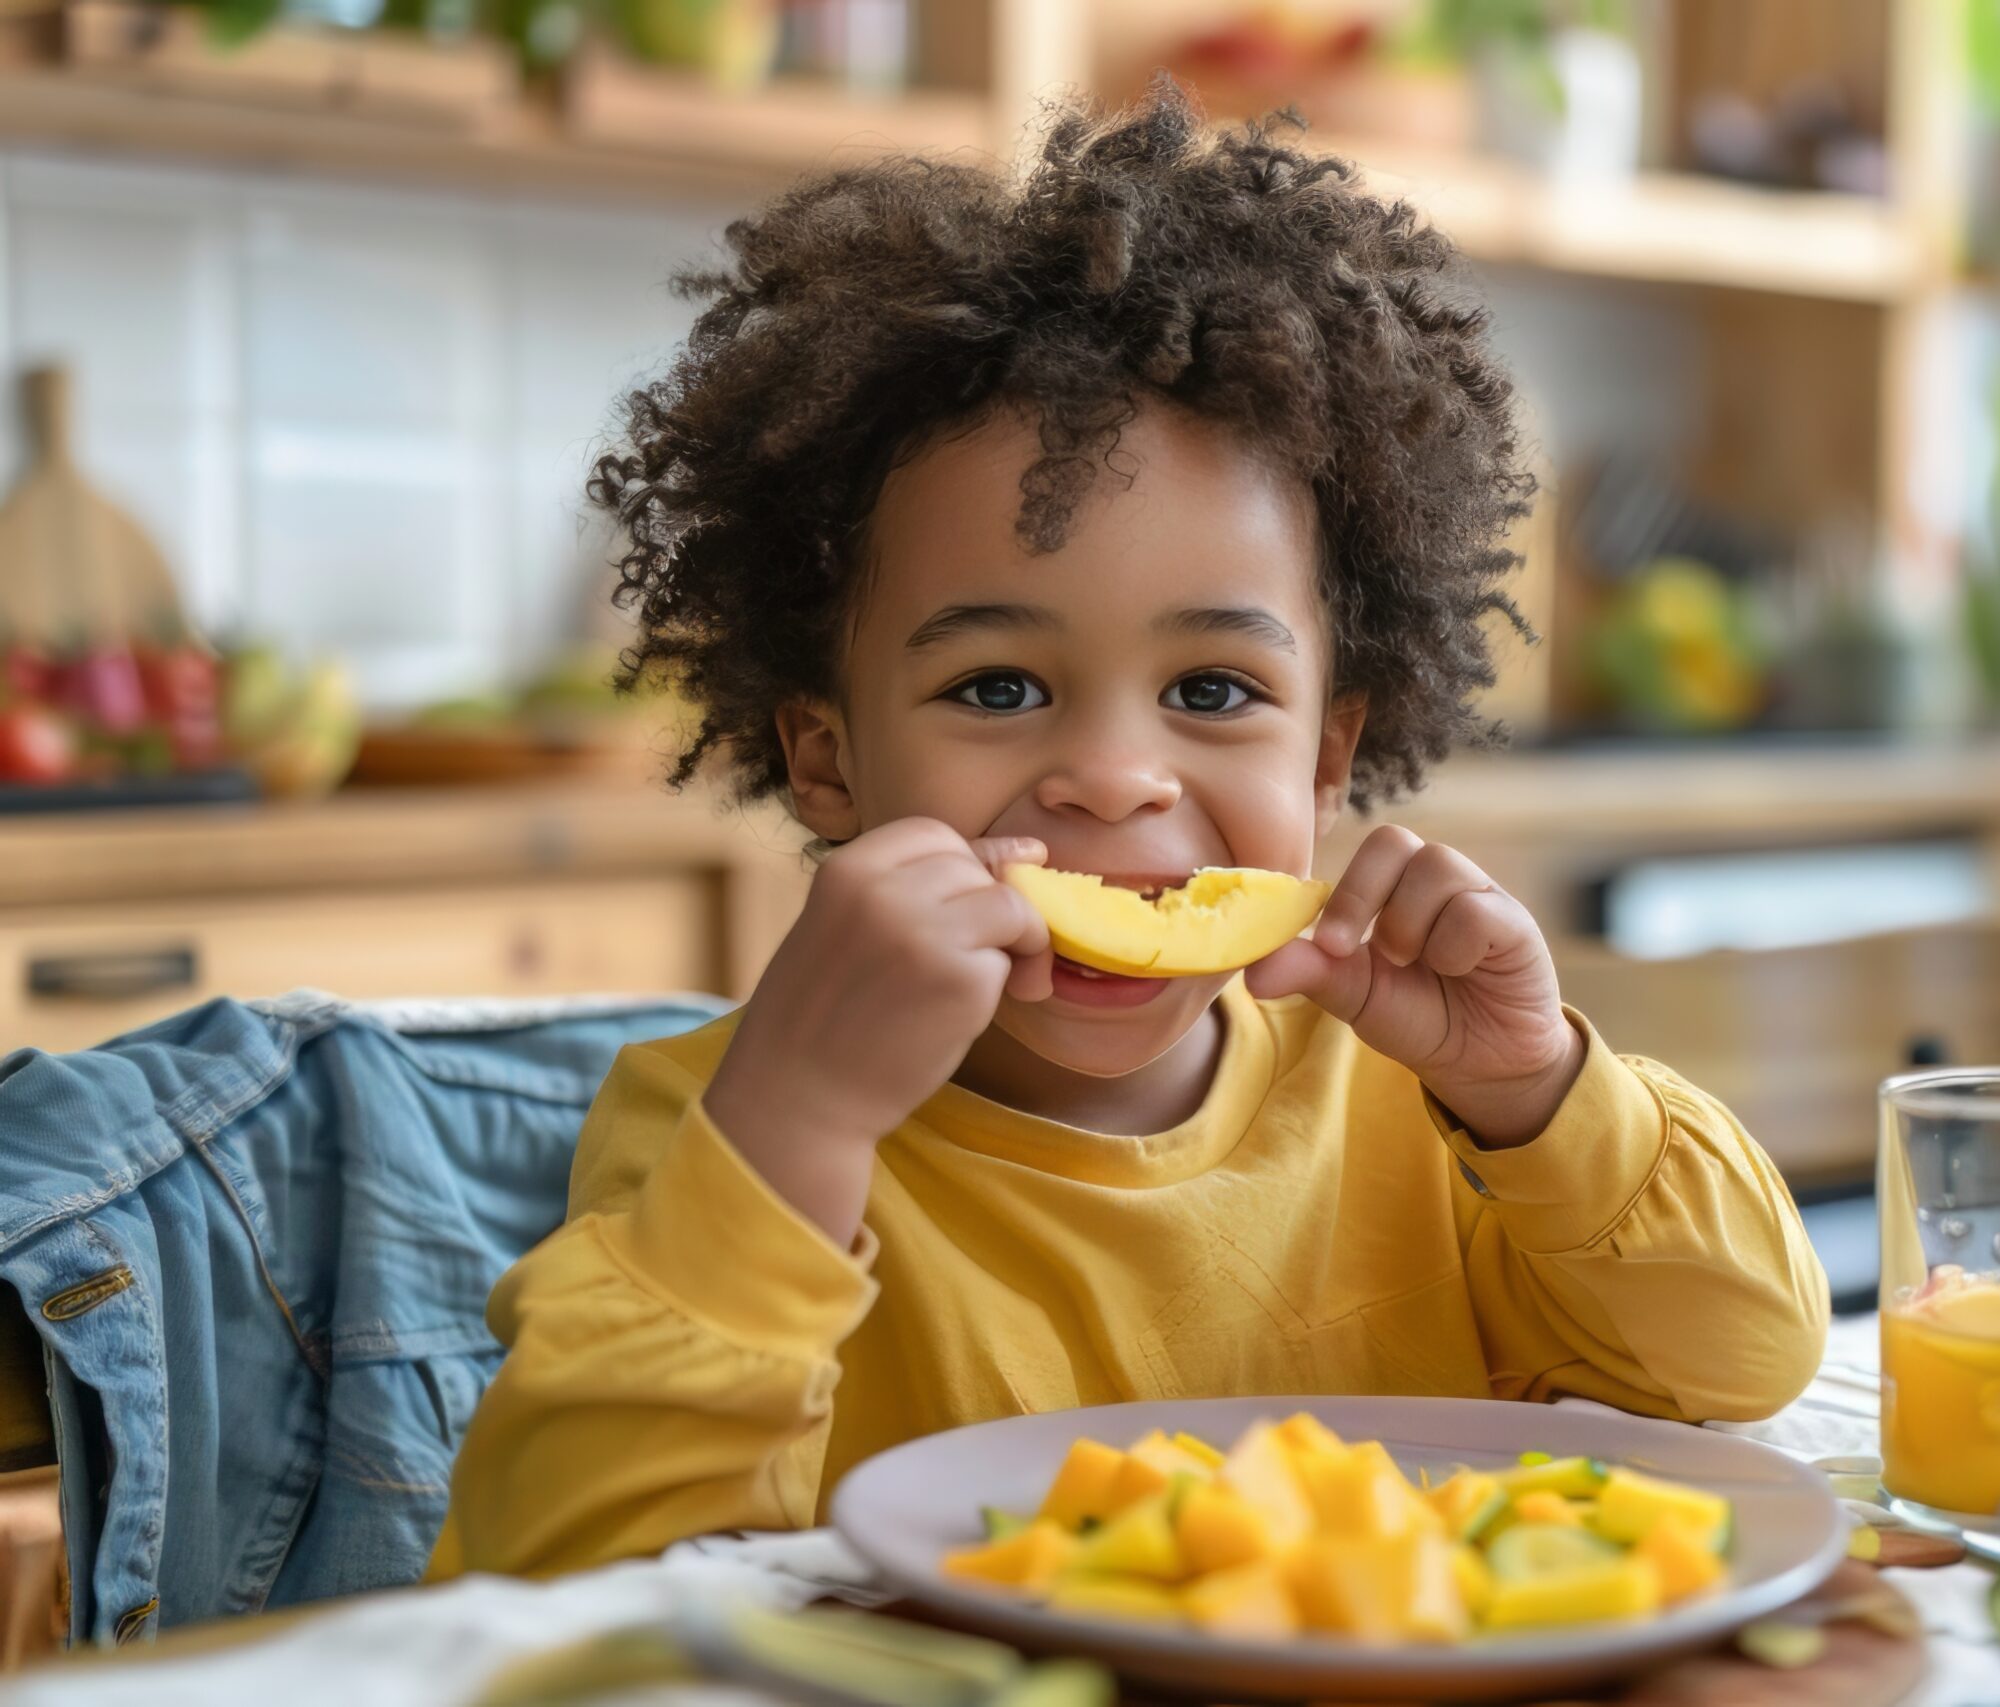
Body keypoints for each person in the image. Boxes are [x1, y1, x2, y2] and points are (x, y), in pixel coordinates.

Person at [429, 83, 1826, 1580]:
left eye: (1213, 688)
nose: (1110, 778)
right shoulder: (720, 1125)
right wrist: (796, 1130)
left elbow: (1747, 1360)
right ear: (829, 761)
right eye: (1001, 684)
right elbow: (555, 1588)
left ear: (1325, 761)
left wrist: (1544, 1095)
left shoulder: (1422, 1117)